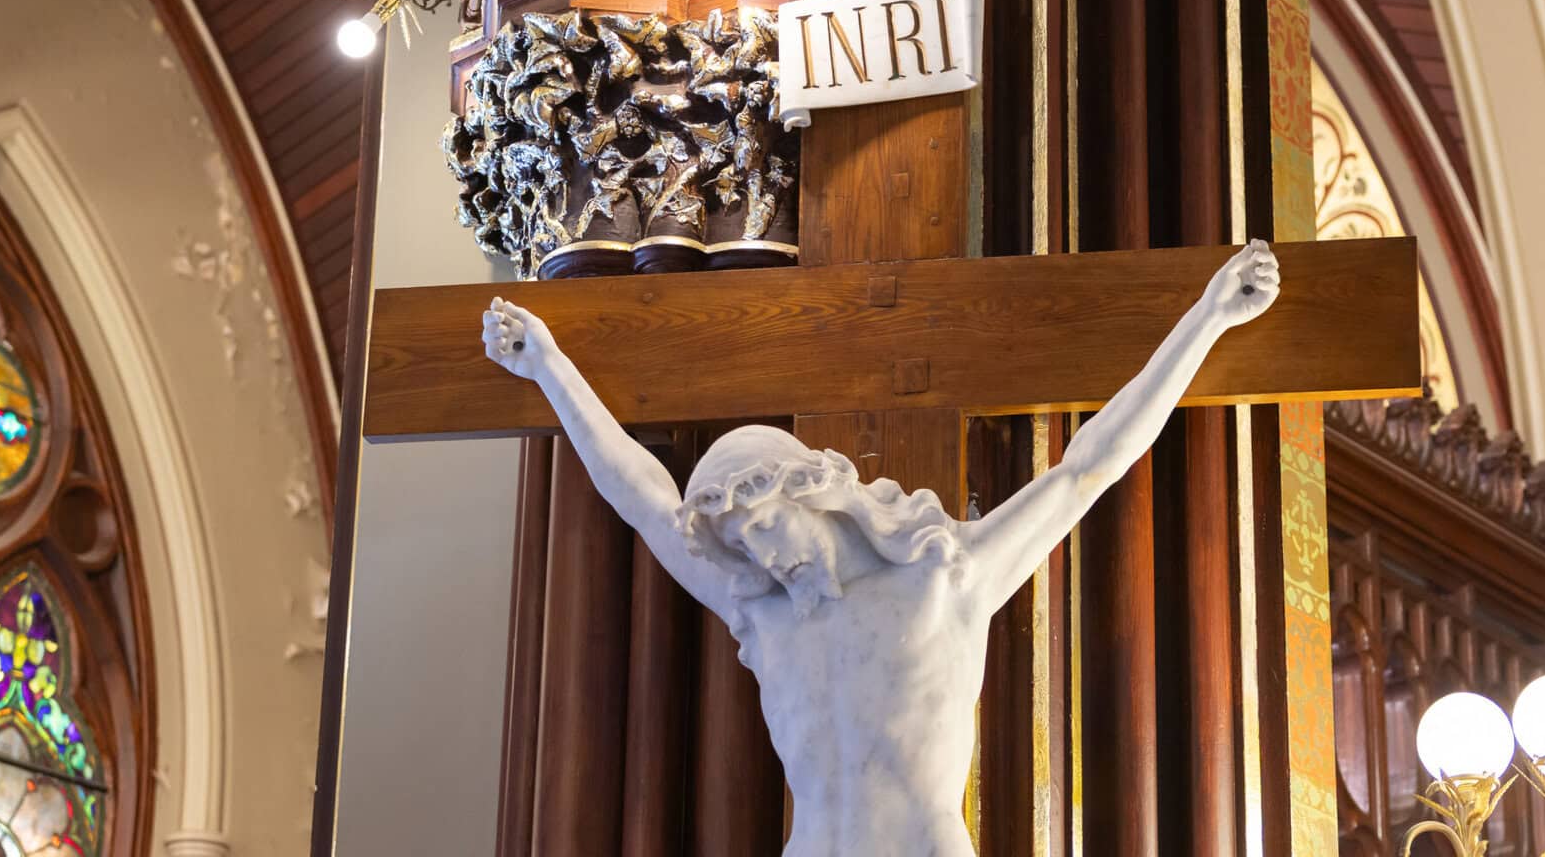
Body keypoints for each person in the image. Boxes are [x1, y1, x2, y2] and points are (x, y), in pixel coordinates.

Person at [483, 239, 1281, 856]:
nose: (761, 556)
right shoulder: (762, 614)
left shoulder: (945, 580)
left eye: (765, 524)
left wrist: (1208, 317)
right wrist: (549, 368)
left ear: (812, 495)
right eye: (741, 545)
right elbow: (644, 498)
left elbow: (1087, 470)